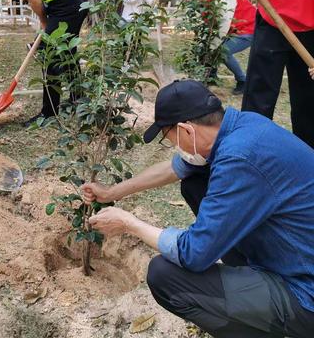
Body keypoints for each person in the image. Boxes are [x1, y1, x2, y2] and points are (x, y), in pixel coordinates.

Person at [83, 79, 314, 338]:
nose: (176, 148)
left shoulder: (238, 160)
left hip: (305, 293)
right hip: (297, 253)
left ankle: (269, 328)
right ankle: (254, 282)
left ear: (187, 130)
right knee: (194, 184)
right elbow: (176, 168)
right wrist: (112, 192)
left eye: (171, 140)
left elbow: (193, 253)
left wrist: (128, 223)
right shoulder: (241, 127)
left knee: (164, 276)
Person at [243, 0, 314, 148]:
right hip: (277, 19)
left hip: (311, 30)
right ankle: (249, 158)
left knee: (309, 105)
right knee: (259, 100)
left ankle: (306, 167)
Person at [192, 0, 256, 95]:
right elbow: (209, 29)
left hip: (248, 29)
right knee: (215, 48)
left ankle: (243, 81)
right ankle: (211, 75)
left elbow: (223, 26)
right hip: (235, 30)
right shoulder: (207, 5)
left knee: (223, 52)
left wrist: (212, 47)